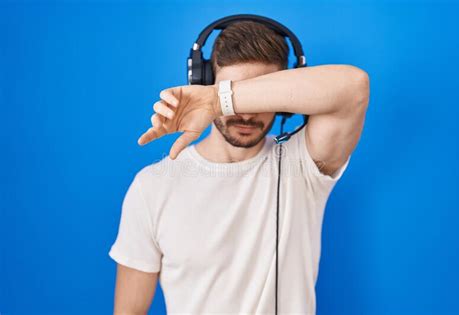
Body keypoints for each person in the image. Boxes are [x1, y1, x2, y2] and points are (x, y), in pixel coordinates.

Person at [108, 21, 370, 314]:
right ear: (205, 81)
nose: (245, 113)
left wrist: (218, 101)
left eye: (257, 96)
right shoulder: (152, 186)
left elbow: (354, 86)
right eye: (229, 92)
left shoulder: (305, 164)